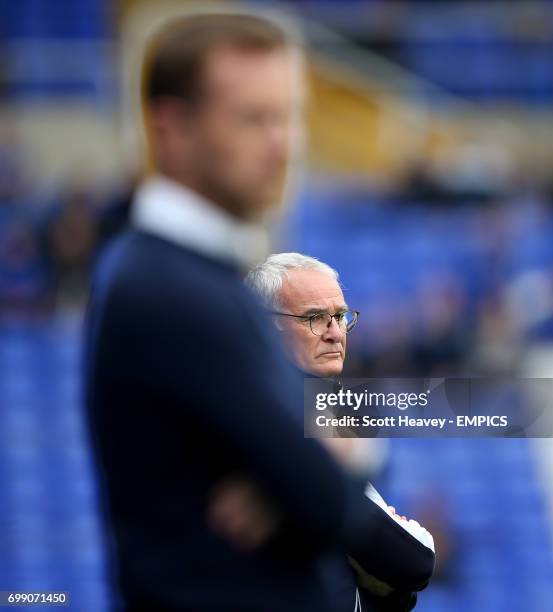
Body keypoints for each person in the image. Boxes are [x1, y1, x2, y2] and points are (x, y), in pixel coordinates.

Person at [85, 13, 434, 612]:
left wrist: (326, 462)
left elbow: (344, 504)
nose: (283, 144)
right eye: (252, 118)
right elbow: (328, 502)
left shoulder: (194, 274)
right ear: (171, 129)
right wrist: (325, 466)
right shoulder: (169, 287)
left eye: (289, 116)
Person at [243, 252, 435, 611]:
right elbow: (414, 558)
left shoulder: (315, 410)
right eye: (315, 318)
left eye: (340, 317)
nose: (335, 333)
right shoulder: (275, 414)